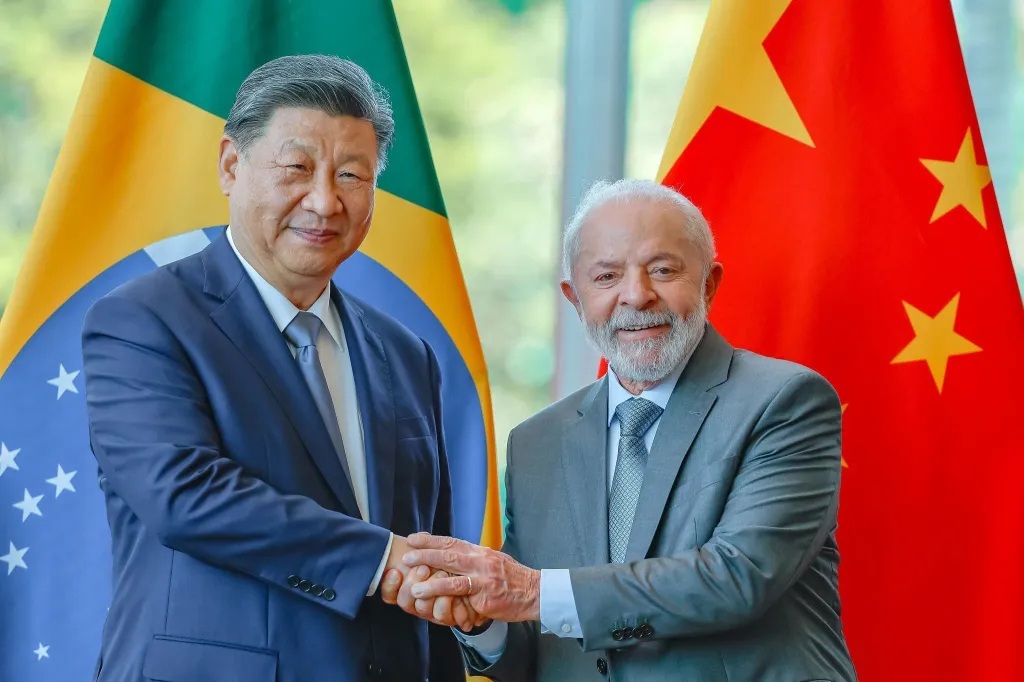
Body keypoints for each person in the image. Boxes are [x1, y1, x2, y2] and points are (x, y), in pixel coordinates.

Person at [81, 54, 473, 682]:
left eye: (352, 175)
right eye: (296, 168)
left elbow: (429, 552)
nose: (324, 201)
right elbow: (185, 495)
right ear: (232, 165)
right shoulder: (142, 320)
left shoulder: (406, 353)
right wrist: (379, 559)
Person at [384, 179, 857, 681]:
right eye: (607, 276)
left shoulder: (784, 401)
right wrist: (484, 622)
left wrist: (530, 592)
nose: (637, 295)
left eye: (663, 270)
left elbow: (739, 578)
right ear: (575, 297)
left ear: (709, 283)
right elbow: (545, 649)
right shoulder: (536, 442)